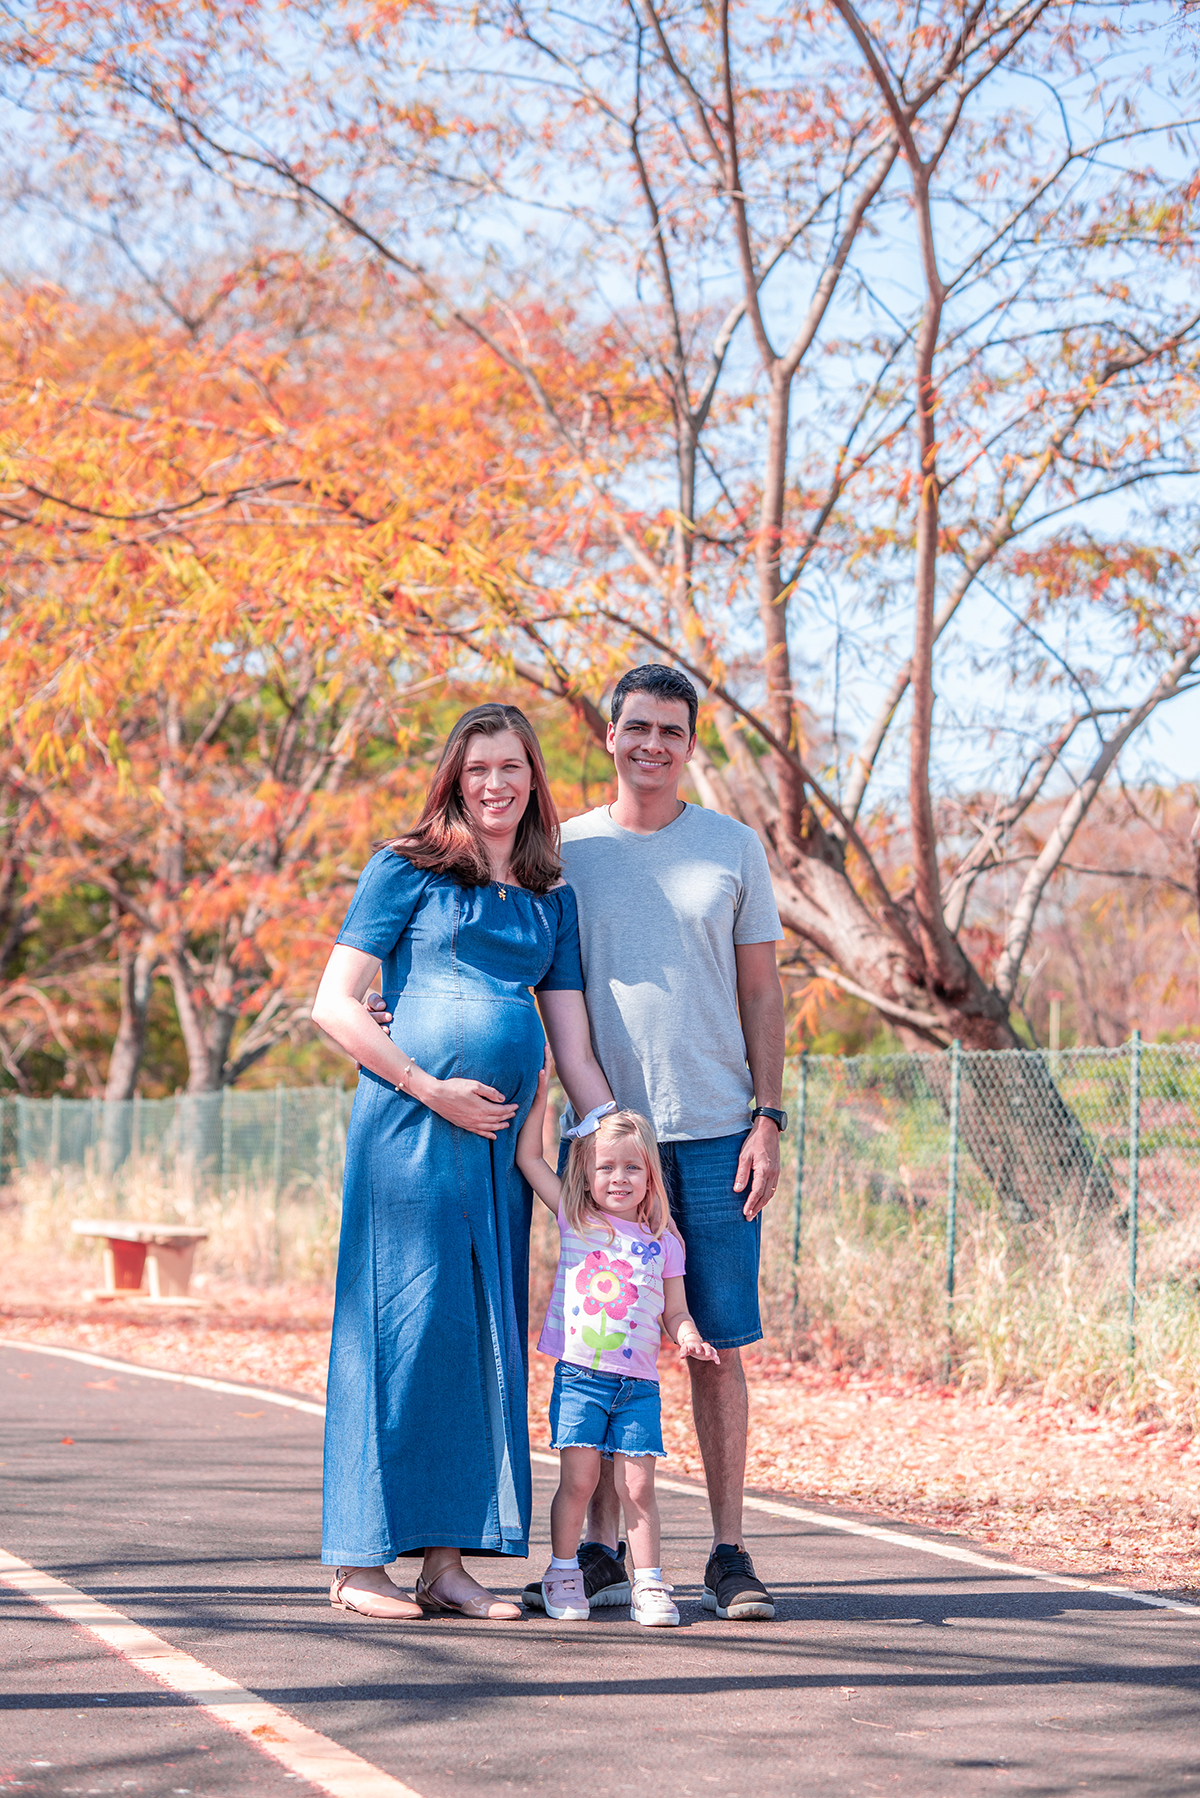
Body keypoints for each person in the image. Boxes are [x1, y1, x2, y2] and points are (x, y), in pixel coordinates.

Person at [311, 703, 613, 1622]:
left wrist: (609, 1141)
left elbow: (574, 1047)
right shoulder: (405, 870)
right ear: (455, 777)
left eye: (512, 767)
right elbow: (334, 1004)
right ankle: (360, 1564)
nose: (496, 783)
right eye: (479, 767)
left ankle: (446, 1564)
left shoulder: (549, 896)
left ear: (534, 780)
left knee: (477, 1335)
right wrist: (427, 1085)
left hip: (501, 1154)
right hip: (408, 1134)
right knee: (396, 1328)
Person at [534, 663, 786, 1622]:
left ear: (690, 744)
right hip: (607, 1149)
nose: (652, 745)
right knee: (604, 1348)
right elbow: (521, 962)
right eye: (635, 727)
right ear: (609, 736)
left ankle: (727, 1552)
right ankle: (599, 1554)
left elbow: (762, 992)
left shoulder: (733, 849)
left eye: (670, 732)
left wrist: (768, 1116)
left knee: (716, 1345)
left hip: (720, 1134)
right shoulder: (565, 852)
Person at [515, 1064, 718, 1627]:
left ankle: (648, 1585)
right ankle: (562, 1573)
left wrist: (690, 1337)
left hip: (639, 1386)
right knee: (578, 1482)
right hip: (581, 1377)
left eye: (633, 1167)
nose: (619, 1178)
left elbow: (675, 1310)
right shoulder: (575, 1218)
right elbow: (531, 1159)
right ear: (587, 1173)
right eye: (607, 1167)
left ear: (651, 1176)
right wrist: (542, 1103)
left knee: (639, 1487)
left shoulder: (664, 1240)